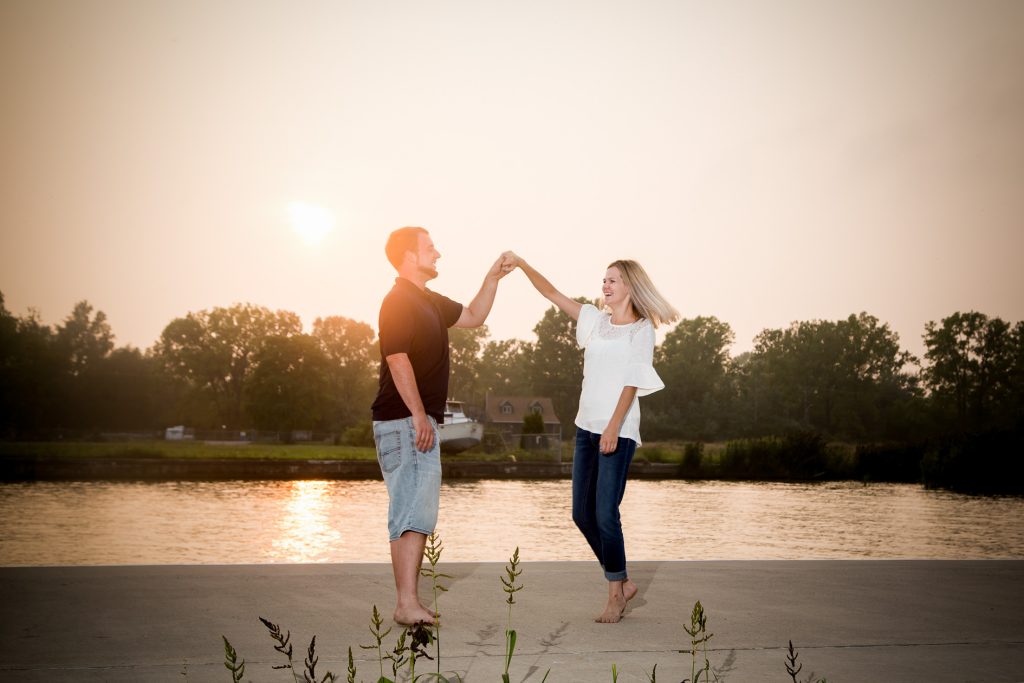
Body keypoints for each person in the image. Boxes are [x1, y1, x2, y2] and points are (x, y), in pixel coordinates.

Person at [504, 252, 678, 623]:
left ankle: (615, 593)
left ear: (630, 286)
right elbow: (551, 292)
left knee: (604, 513)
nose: (605, 285)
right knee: (581, 514)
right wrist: (522, 264)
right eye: (604, 279)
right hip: (586, 428)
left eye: (613, 280)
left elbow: (633, 380)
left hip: (618, 430)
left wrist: (614, 426)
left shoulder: (641, 329)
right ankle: (624, 580)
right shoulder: (594, 321)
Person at [372, 226, 511, 626]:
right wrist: (418, 415)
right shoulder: (398, 300)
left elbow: (473, 316)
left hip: (410, 419)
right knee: (414, 513)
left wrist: (492, 278)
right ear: (408, 257)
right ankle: (406, 603)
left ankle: (406, 602)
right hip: (405, 420)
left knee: (410, 512)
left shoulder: (429, 301)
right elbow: (397, 359)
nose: (438, 253)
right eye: (429, 248)